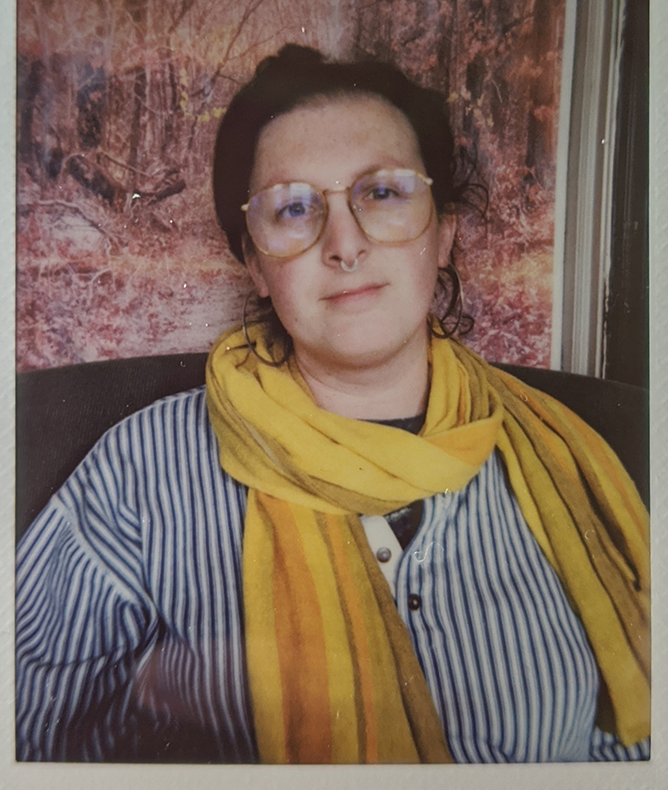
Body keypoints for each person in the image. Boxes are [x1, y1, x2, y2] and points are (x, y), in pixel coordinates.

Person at [16, 45, 650, 764]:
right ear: (255, 264)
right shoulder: (139, 473)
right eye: (294, 207)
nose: (344, 245)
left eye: (383, 194)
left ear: (443, 233)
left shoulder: (569, 460)